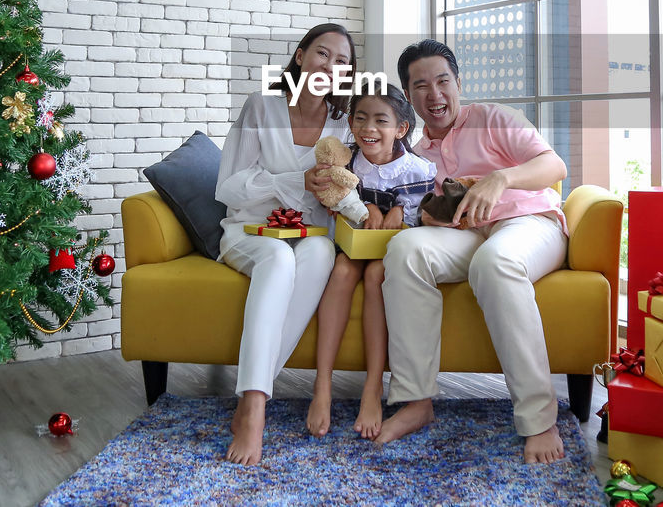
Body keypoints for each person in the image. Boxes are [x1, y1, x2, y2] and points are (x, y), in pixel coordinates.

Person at [376, 39, 570, 464]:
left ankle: (540, 419)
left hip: (528, 223)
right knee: (406, 250)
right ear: (408, 97)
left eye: (443, 81)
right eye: (421, 86)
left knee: (496, 262)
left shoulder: (494, 118)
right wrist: (427, 218)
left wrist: (501, 178)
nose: (434, 94)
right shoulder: (414, 154)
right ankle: (415, 401)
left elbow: (554, 166)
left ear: (458, 83)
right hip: (467, 234)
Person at [214, 23, 356, 465]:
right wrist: (293, 181)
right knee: (277, 258)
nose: (330, 66)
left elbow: (345, 191)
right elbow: (229, 188)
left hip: (310, 234)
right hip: (249, 230)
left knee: (319, 254)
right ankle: (255, 407)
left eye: (342, 62)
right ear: (300, 56)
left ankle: (251, 395)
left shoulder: (343, 125)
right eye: (322, 54)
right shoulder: (261, 107)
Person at [306, 85, 436, 440]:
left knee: (378, 274)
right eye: (360, 118)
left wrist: (398, 210)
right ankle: (322, 385)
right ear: (350, 122)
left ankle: (372, 387)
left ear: (401, 130)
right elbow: (336, 198)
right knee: (344, 270)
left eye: (381, 120)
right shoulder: (345, 160)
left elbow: (422, 214)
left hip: (389, 253)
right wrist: (368, 208)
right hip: (351, 245)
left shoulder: (417, 169)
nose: (369, 128)